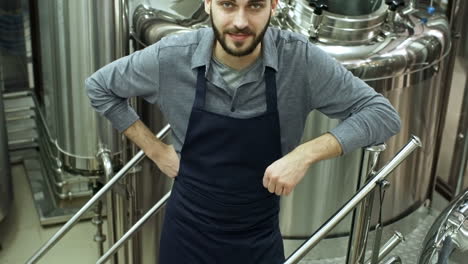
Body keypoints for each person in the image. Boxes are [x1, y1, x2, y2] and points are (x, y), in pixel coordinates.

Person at [86, 0, 401, 263]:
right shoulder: (172, 56)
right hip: (186, 238)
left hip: (257, 241)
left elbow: (382, 114)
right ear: (208, 3)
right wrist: (157, 152)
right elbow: (100, 87)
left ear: (273, 5)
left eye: (254, 5)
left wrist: (305, 154)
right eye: (227, 4)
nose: (240, 21)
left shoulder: (299, 60)